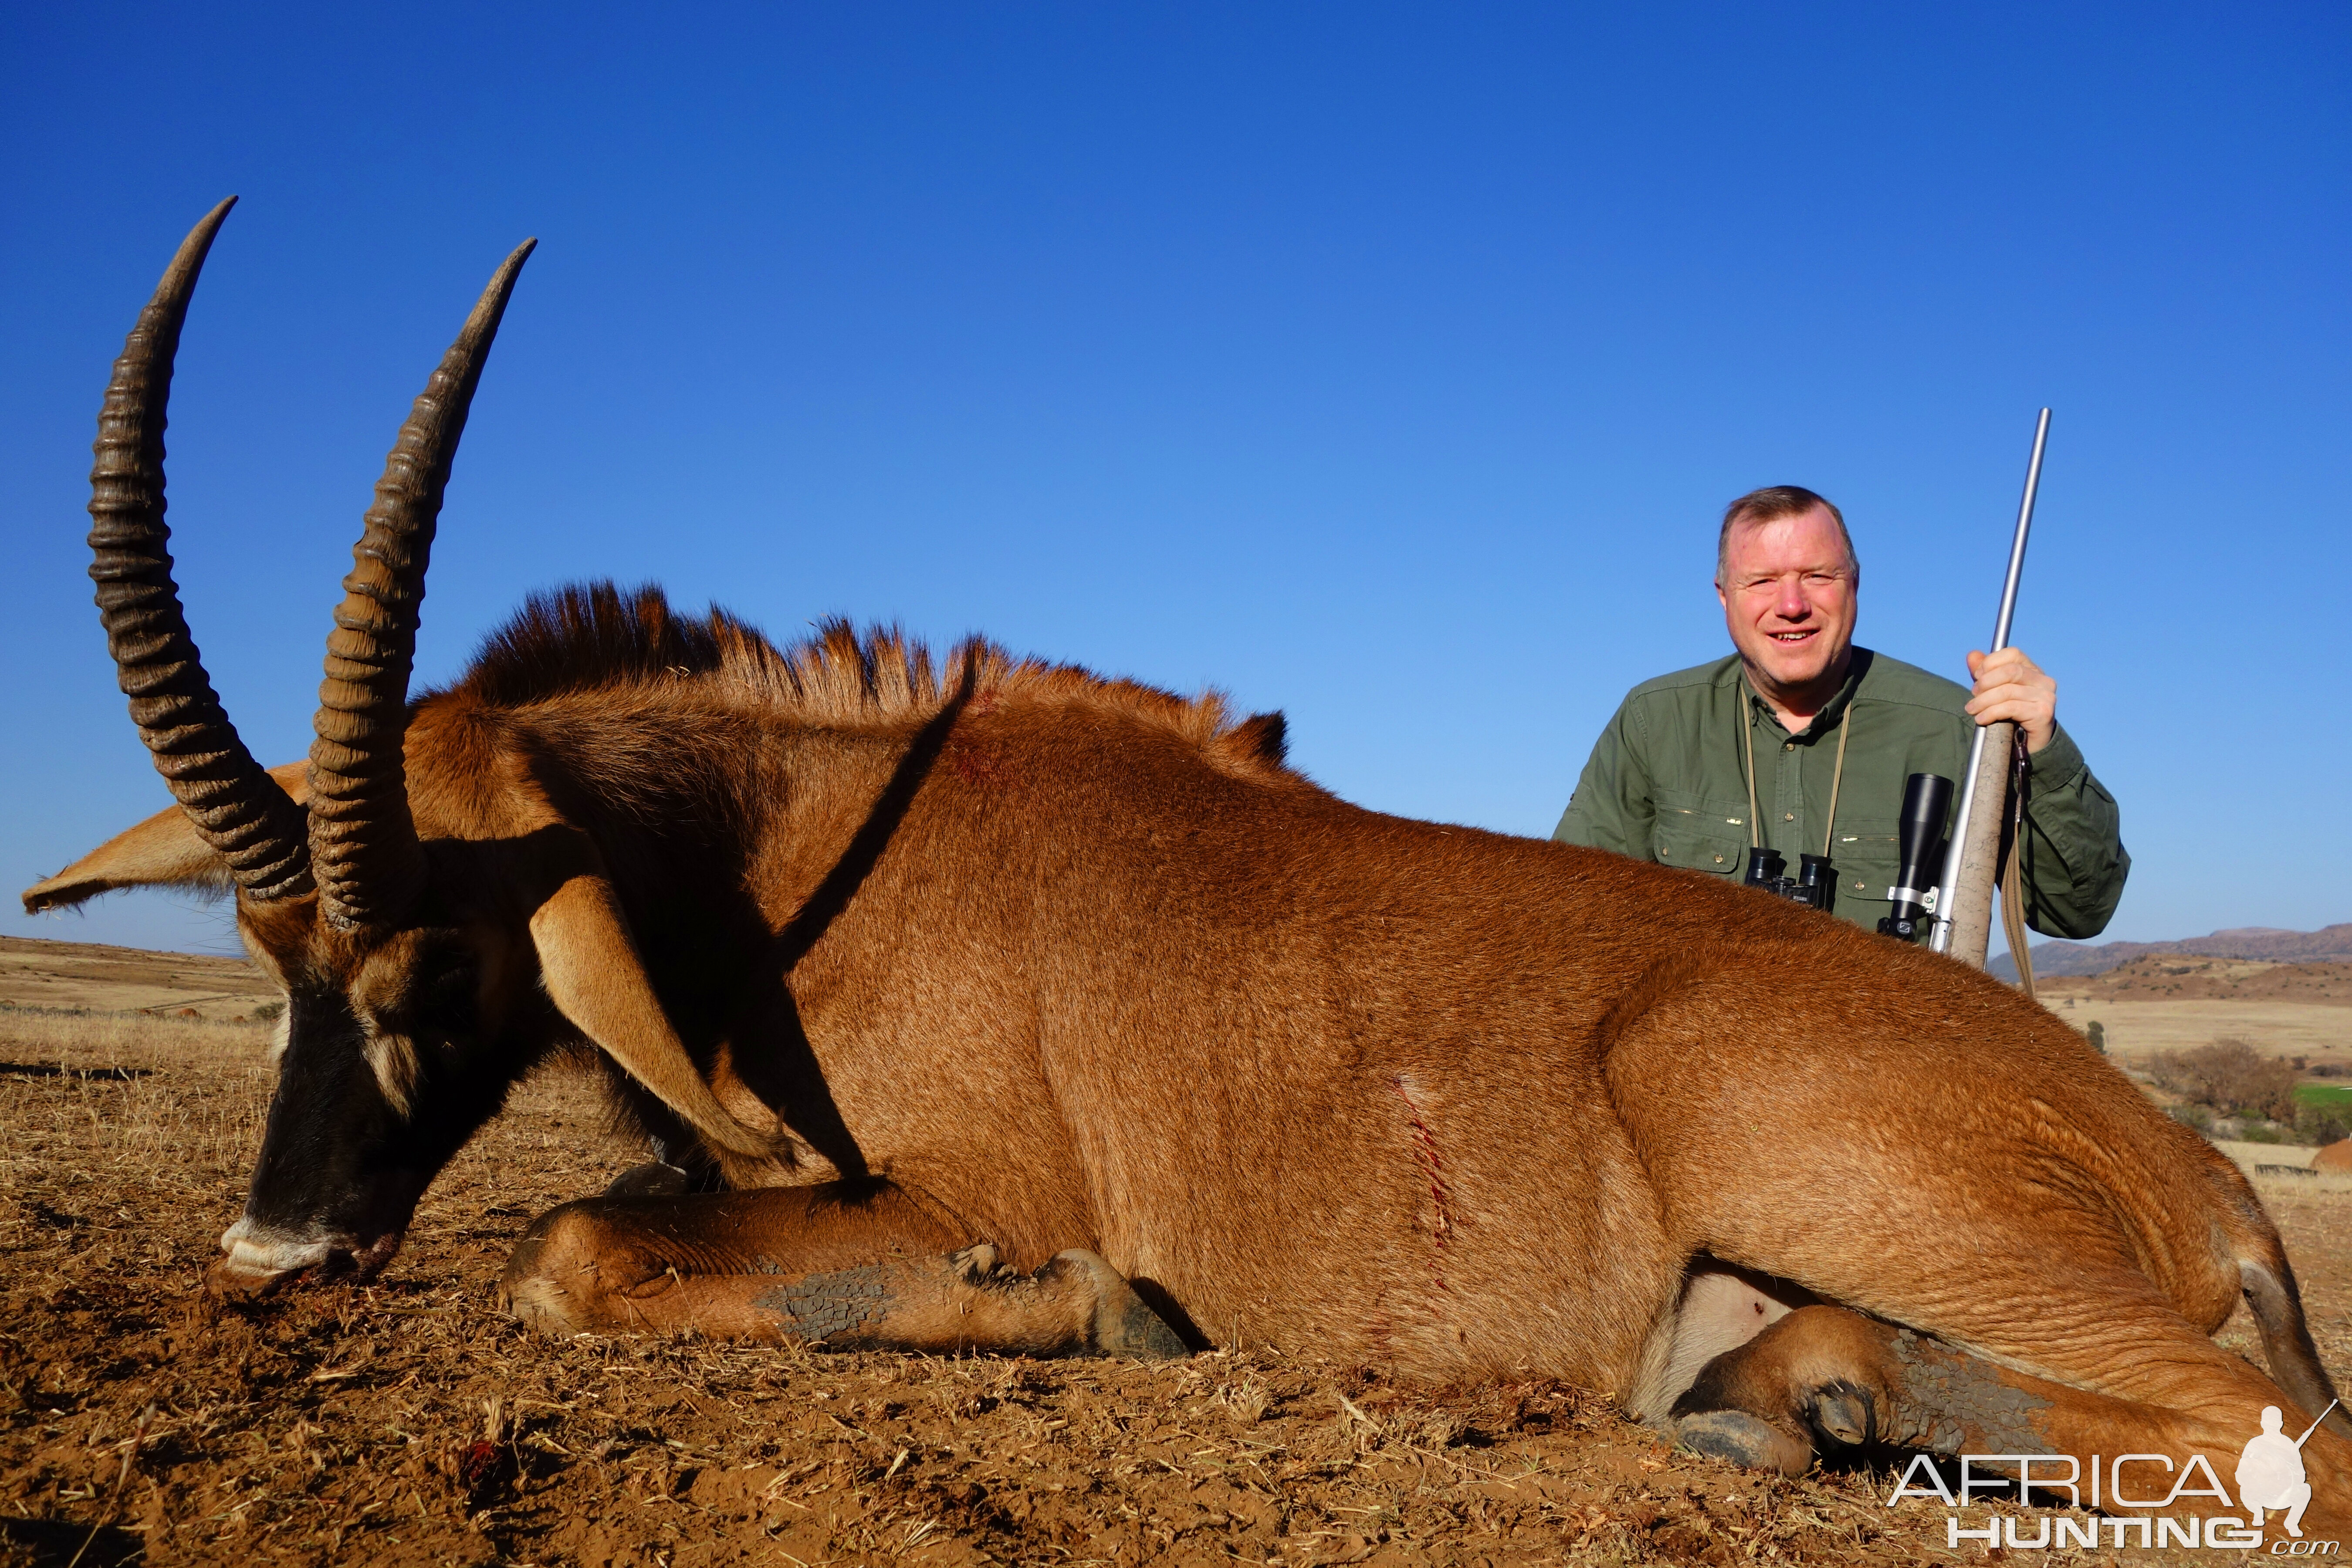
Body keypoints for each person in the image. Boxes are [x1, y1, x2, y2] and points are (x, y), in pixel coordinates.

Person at [1553, 485, 2126, 938]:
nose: (1793, 605)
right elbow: (1568, 913)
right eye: (1763, 581)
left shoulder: (1954, 724)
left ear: (1855, 584)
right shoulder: (1655, 720)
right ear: (1724, 596)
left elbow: (2076, 913)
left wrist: (2045, 750)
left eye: (1817, 576)